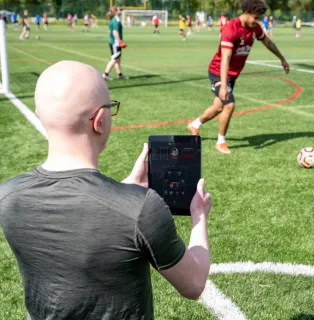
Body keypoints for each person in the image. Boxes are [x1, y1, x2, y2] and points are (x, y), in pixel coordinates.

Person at [0, 60, 212, 320]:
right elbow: (194, 284)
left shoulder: (8, 196)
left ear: (39, 117)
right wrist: (199, 216)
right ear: (99, 120)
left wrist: (123, 190)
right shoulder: (141, 209)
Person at [187, 0, 290, 154]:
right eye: (255, 17)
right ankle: (221, 142)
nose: (257, 21)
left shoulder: (255, 28)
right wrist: (222, 85)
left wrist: (282, 59)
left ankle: (194, 125)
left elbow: (268, 43)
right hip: (219, 71)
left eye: (259, 18)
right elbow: (225, 58)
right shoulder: (231, 28)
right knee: (229, 105)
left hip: (232, 75)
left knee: (218, 107)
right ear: (246, 13)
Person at [103, 6, 128, 81]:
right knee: (115, 58)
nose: (120, 10)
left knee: (117, 59)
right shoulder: (116, 21)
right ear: (116, 11)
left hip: (114, 42)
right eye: (119, 9)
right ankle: (105, 74)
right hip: (115, 42)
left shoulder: (113, 20)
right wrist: (119, 41)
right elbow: (115, 32)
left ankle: (119, 74)